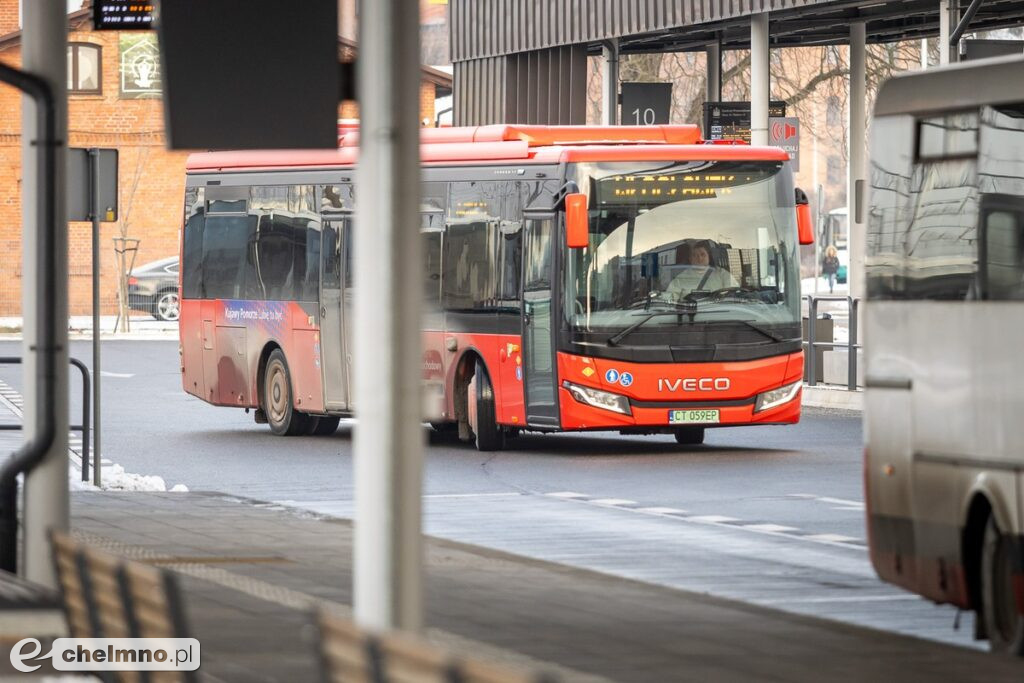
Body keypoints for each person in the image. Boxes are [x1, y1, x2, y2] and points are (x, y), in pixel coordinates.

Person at [664, 240, 738, 300]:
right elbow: (670, 298)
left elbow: (734, 294)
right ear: (690, 259)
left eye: (703, 254)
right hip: (690, 315)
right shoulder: (680, 278)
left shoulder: (722, 274)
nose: (699, 258)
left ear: (709, 256)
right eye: (695, 255)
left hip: (718, 313)